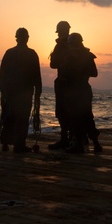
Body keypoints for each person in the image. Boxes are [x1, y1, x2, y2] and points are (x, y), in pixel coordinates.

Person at [0, 27, 42, 154]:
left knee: (9, 116)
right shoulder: (31, 54)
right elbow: (37, 75)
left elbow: (2, 74)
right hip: (22, 92)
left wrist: (3, 90)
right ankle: (18, 144)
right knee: (20, 118)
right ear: (26, 38)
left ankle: (7, 143)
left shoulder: (10, 53)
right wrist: (38, 91)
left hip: (13, 92)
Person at [59, 32, 100, 154]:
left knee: (76, 117)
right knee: (87, 116)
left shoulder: (69, 56)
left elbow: (63, 74)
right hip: (85, 89)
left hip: (74, 90)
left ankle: (78, 145)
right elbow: (94, 73)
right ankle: (96, 143)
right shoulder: (88, 56)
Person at [48, 20, 72, 150]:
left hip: (64, 83)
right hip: (74, 84)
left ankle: (65, 139)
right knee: (73, 111)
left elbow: (53, 64)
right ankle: (75, 138)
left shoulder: (61, 45)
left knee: (63, 112)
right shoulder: (75, 44)